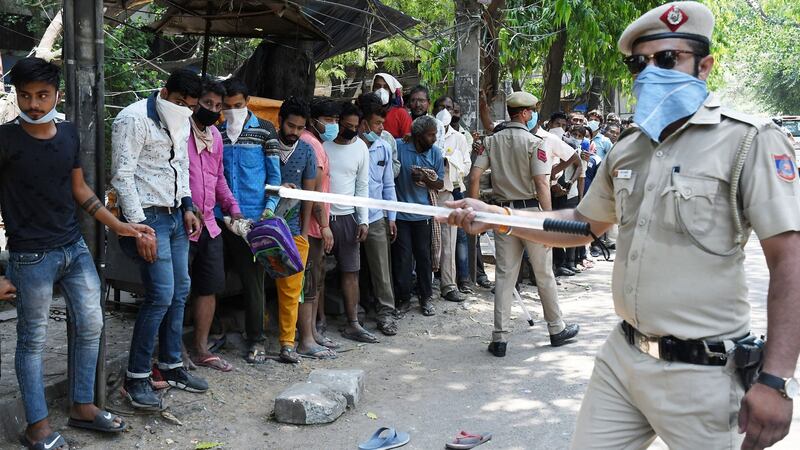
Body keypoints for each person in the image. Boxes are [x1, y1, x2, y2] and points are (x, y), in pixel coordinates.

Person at [445, 3, 800, 448]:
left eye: (667, 60)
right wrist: (499, 217)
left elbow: (790, 263)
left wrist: (776, 379)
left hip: (703, 371)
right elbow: (583, 224)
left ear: (704, 66)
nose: (651, 72)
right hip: (623, 357)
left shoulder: (749, 140)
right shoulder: (629, 148)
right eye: (639, 63)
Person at [2, 57, 142, 449]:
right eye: (25, 96)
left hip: (73, 248)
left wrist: (119, 225)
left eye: (42, 95)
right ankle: (37, 427)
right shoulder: (5, 140)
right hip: (30, 257)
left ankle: (82, 405)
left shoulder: (68, 134)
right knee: (31, 342)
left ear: (56, 96)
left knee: (92, 325)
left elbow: (79, 189)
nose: (33, 104)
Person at [112, 68, 206, 409]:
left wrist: (188, 205)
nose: (185, 109)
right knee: (160, 295)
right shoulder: (132, 119)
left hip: (176, 214)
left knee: (180, 291)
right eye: (180, 101)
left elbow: (180, 164)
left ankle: (171, 366)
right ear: (164, 92)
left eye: (191, 105)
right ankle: (135, 378)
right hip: (148, 217)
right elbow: (122, 178)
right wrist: (138, 227)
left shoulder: (182, 120)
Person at [468, 91, 580, 357]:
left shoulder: (490, 142)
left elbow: (474, 176)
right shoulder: (535, 143)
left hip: (502, 214)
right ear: (526, 113)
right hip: (530, 215)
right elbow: (542, 183)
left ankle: (499, 338)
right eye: (532, 112)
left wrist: (475, 211)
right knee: (544, 274)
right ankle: (556, 329)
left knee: (505, 277)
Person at [217, 78, 282, 364]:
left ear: (248, 102)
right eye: (227, 107)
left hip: (253, 219)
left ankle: (257, 340)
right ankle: (214, 333)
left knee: (253, 283)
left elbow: (274, 178)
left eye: (238, 106)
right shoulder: (215, 130)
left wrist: (268, 211)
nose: (233, 111)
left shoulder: (265, 130)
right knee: (212, 279)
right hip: (219, 218)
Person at [186, 78, 239, 372]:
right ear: (196, 102)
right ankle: (175, 351)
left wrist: (233, 208)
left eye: (218, 106)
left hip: (210, 224)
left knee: (208, 288)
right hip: (184, 224)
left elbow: (218, 178)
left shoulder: (216, 137)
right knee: (177, 289)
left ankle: (202, 349)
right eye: (208, 104)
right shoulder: (181, 133)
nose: (213, 110)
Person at [323, 102, 375, 343]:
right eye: (347, 126)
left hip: (349, 217)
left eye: (355, 126)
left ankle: (352, 322)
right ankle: (318, 321)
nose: (351, 130)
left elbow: (362, 185)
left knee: (351, 271)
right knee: (318, 273)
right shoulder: (323, 147)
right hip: (324, 216)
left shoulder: (361, 149)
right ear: (338, 122)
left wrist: (363, 220)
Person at [271, 97, 317, 363]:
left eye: (300, 128)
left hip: (294, 229)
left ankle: (287, 342)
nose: (295, 132)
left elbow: (310, 196)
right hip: (262, 226)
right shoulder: (265, 146)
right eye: (291, 125)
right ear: (281, 121)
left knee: (291, 287)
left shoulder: (308, 151)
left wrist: (304, 233)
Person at [393, 116, 445, 316]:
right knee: (403, 259)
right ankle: (404, 299)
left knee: (424, 258)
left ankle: (426, 298)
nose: (434, 138)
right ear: (417, 135)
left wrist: (426, 178)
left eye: (435, 134)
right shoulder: (399, 146)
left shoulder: (436, 153)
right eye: (431, 135)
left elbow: (440, 183)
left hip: (423, 214)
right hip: (402, 215)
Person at [299, 97, 340, 355]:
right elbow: (312, 192)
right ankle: (306, 339)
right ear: (315, 120)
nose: (333, 125)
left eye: (335, 120)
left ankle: (312, 333)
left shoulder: (317, 142)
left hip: (317, 225)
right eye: (329, 120)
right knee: (309, 283)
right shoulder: (310, 144)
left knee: (315, 281)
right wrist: (324, 225)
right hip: (311, 227)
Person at [356, 93, 399, 336]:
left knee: (382, 268)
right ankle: (356, 313)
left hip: (376, 217)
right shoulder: (352, 146)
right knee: (352, 269)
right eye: (376, 124)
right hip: (350, 216)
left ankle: (386, 313)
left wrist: (391, 217)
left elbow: (388, 186)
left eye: (383, 124)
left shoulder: (383, 146)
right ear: (363, 123)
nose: (381, 129)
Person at [432, 96, 471, 302]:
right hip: (425, 194)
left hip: (447, 192)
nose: (445, 111)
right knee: (424, 242)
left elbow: (466, 165)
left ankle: (449, 285)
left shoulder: (459, 138)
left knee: (449, 242)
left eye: (449, 107)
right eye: (441, 107)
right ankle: (422, 287)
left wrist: (451, 164)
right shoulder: (426, 131)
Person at [372, 73, 412, 139]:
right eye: (377, 86)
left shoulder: (401, 114)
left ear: (391, 91)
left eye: (385, 87)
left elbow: (407, 141)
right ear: (373, 89)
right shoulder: (366, 112)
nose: (381, 91)